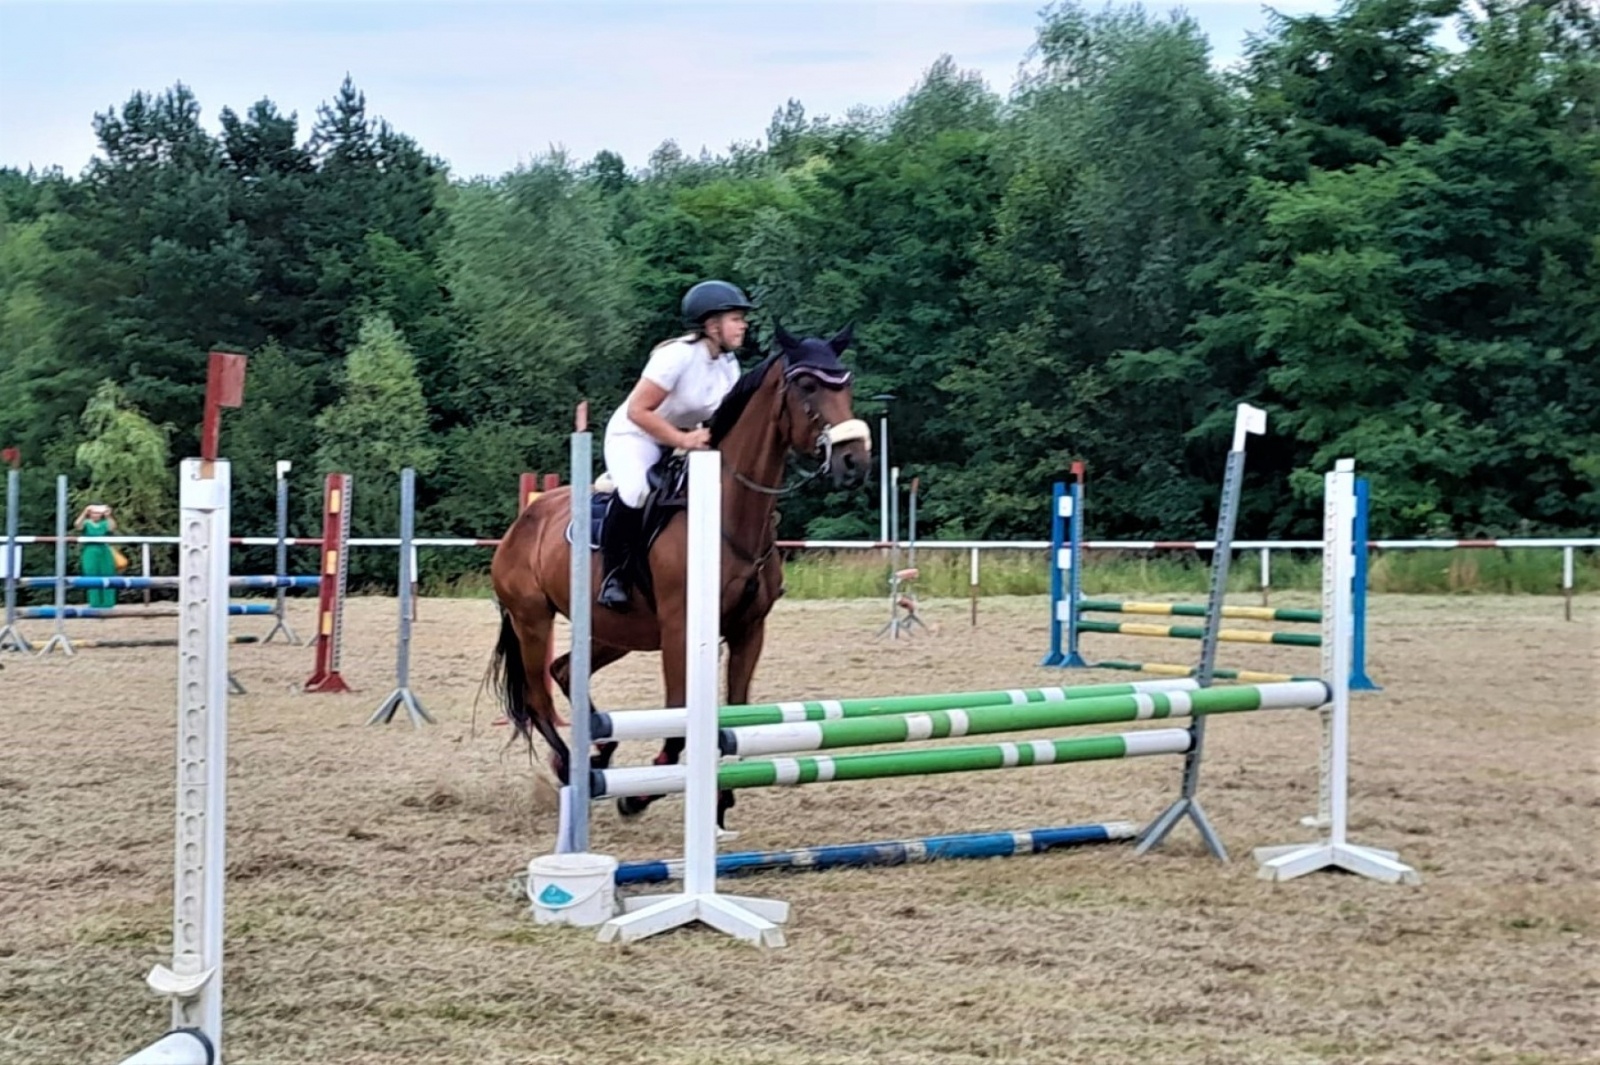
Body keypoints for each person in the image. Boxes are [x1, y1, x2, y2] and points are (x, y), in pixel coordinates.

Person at [598, 279, 753, 610]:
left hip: (684, 441)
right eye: (736, 318)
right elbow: (638, 411)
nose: (744, 325)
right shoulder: (676, 356)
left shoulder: (729, 366)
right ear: (712, 325)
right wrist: (683, 439)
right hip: (635, 435)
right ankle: (615, 575)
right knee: (637, 492)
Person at [74, 503, 118, 609]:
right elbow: (77, 525)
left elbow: (112, 527)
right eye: (94, 513)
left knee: (108, 574)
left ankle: (108, 603)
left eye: (98, 513)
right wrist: (85, 512)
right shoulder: (86, 523)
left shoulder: (104, 523)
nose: (96, 515)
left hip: (104, 550)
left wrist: (108, 515)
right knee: (91, 575)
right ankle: (95, 603)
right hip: (90, 550)